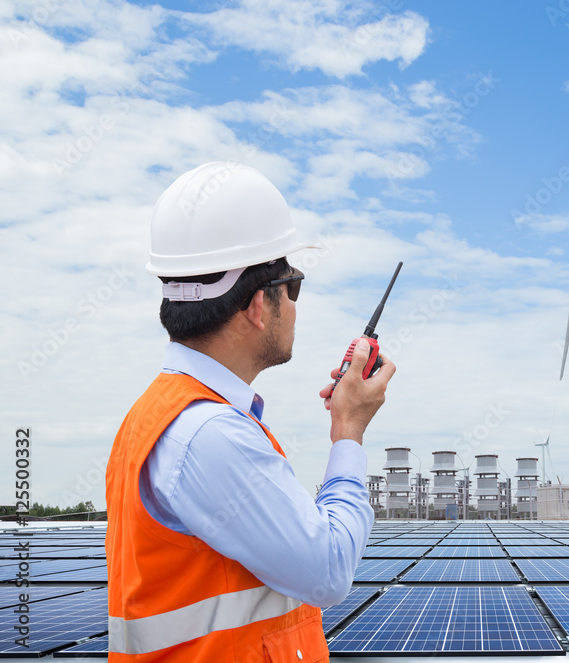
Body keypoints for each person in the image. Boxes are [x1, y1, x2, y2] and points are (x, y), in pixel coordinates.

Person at [105, 162, 394, 662]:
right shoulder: (208, 433)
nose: (297, 304)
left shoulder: (162, 415)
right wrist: (349, 431)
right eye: (294, 286)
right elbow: (327, 570)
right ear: (260, 306)